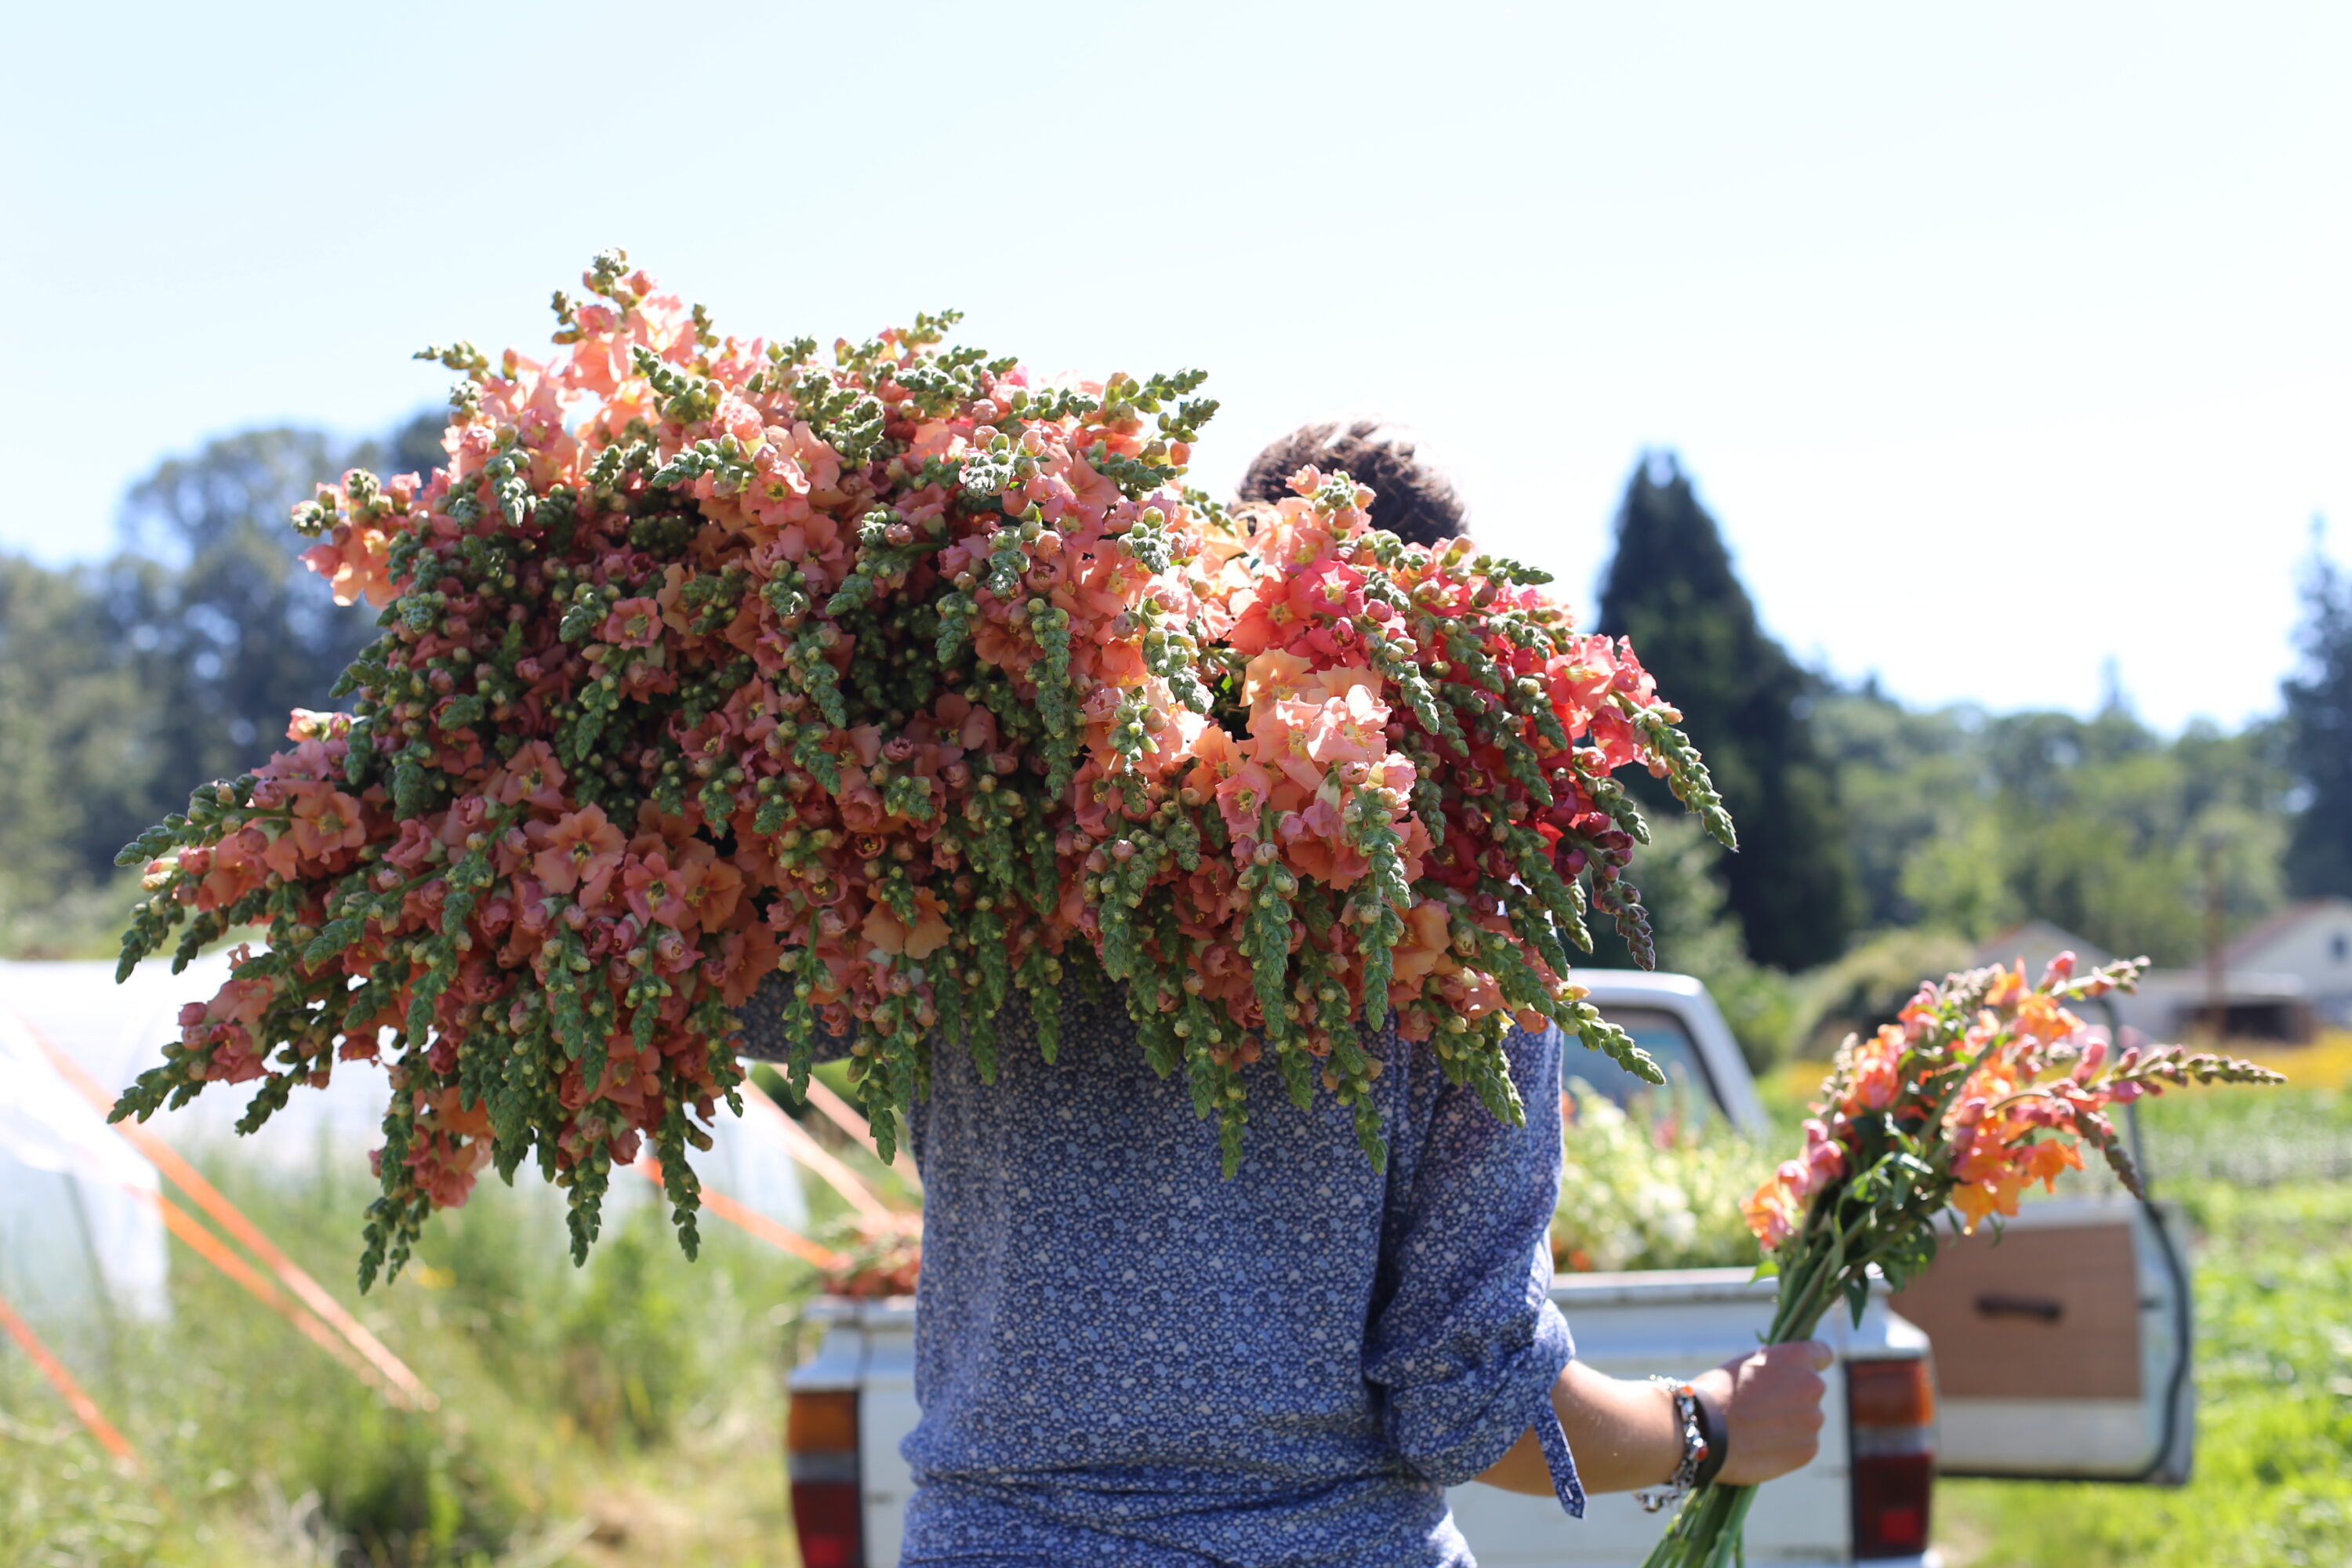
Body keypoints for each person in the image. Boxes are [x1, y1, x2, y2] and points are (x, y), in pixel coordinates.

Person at [737, 421, 1829, 1567]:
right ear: (1452, 654)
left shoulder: (990, 840)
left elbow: (740, 999)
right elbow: (1465, 1403)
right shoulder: (1461, 930)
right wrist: (1706, 1427)